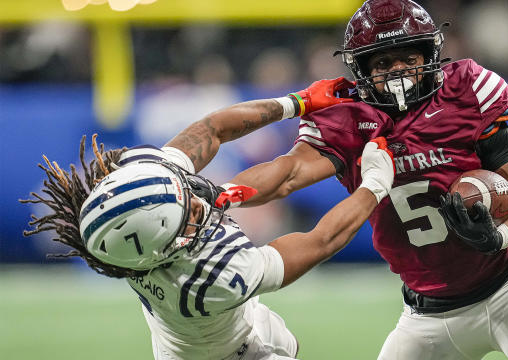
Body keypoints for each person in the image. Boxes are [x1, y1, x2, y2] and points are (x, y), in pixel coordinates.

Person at [217, 1, 508, 359]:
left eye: (408, 58)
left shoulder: (465, 92)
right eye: (383, 62)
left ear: (429, 56)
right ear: (363, 68)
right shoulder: (349, 119)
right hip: (426, 315)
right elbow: (286, 174)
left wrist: (499, 236)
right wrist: (222, 195)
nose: (398, 71)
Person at [21, 84, 395, 360]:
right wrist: (375, 185)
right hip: (228, 352)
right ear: (167, 251)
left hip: (205, 329)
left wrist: (296, 102)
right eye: (187, 215)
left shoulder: (141, 183)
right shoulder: (212, 279)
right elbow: (321, 241)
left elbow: (213, 128)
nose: (199, 207)